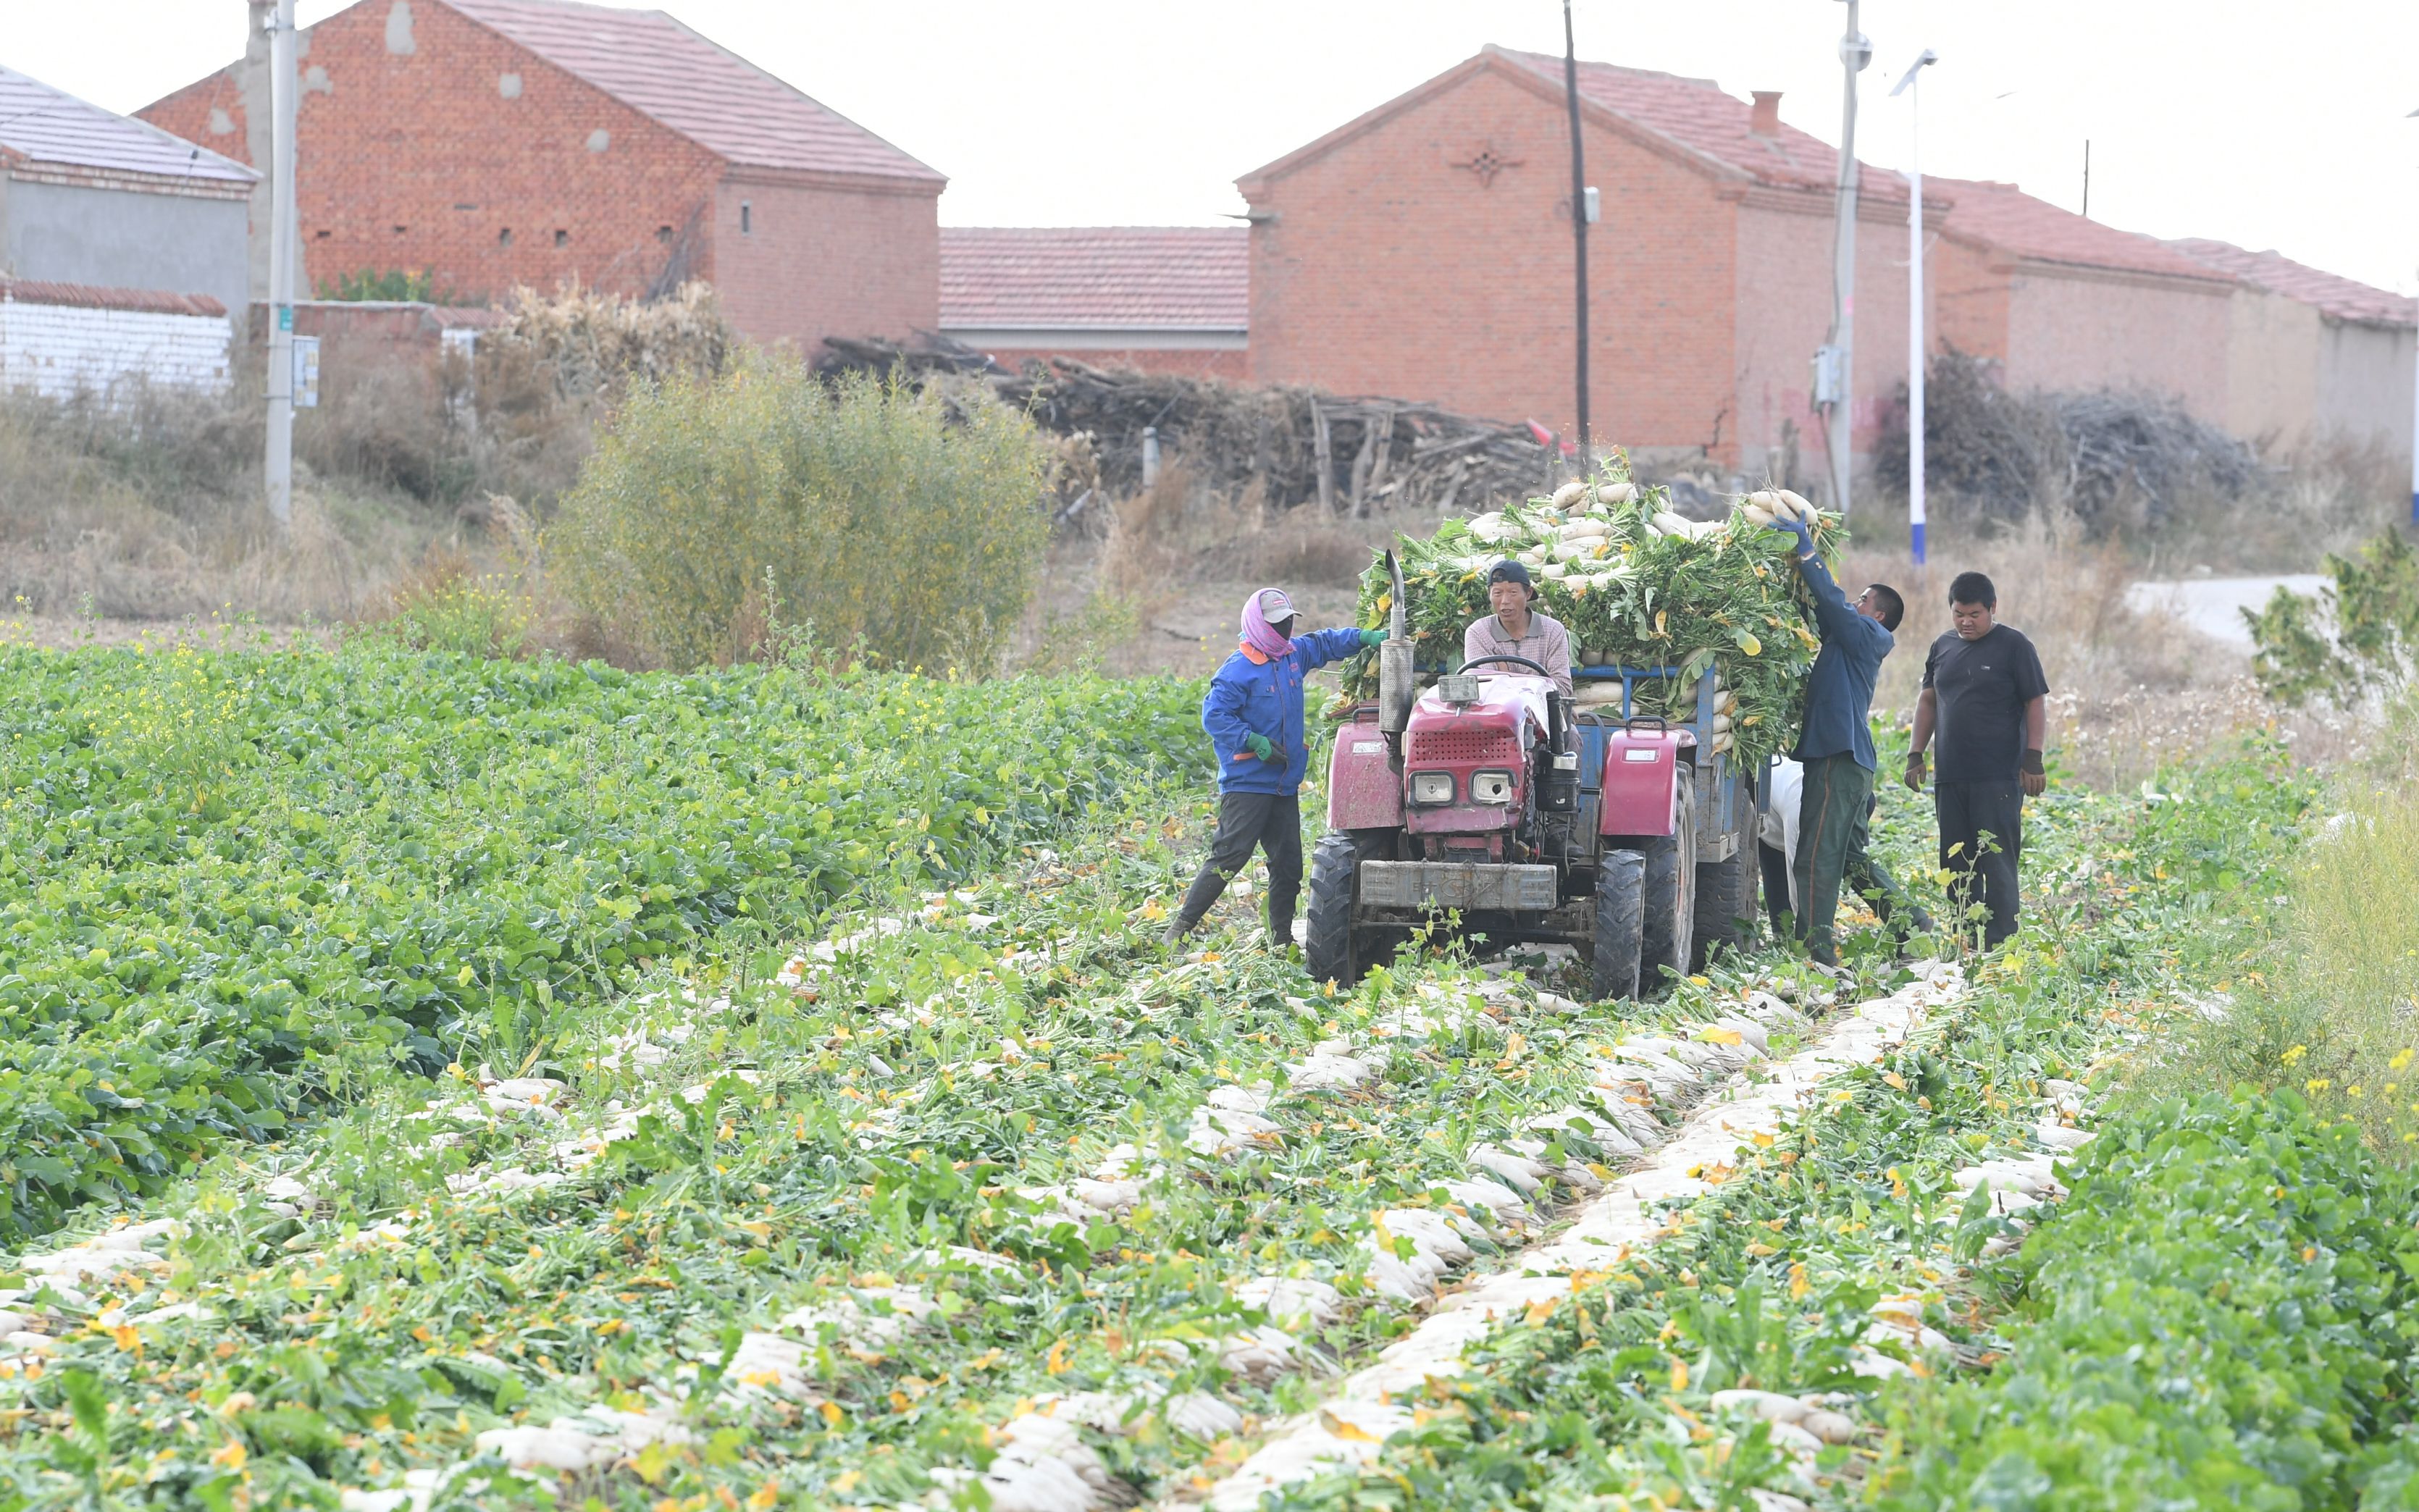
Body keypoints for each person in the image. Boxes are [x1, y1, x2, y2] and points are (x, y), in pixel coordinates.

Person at [1165, 587, 1386, 948]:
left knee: (1288, 866)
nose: (1284, 628)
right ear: (1257, 623)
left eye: (1287, 621)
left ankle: (1281, 939)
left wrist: (1365, 638)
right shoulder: (1238, 671)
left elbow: (1326, 643)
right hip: (1248, 781)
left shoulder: (1291, 655)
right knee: (1229, 857)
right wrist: (1254, 742)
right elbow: (1215, 716)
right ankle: (1179, 928)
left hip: (1283, 782)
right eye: (1277, 623)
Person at [1766, 514, 1926, 967]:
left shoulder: (1870, 635)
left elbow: (1833, 604)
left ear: (1878, 615)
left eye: (1863, 600)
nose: (1854, 604)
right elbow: (1822, 613)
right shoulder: (1847, 640)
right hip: (1853, 763)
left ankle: (1816, 955)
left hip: (1839, 760)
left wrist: (1809, 553)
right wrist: (1796, 579)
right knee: (1851, 857)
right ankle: (1911, 924)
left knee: (1815, 857)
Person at [1905, 571, 2049, 951]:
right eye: (1958, 614)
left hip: (1998, 777)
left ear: (1992, 609)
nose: (1966, 622)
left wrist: (2033, 759)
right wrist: (1915, 754)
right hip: (1951, 776)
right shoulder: (1942, 646)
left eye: (1974, 614)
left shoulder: (2014, 646)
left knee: (1997, 863)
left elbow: (2035, 701)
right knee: (1956, 864)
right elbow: (1928, 701)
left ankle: (2001, 946)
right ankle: (1967, 938)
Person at [1462, 560, 1573, 695]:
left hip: (1544, 715)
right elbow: (1485, 689)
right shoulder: (1478, 633)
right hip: (1498, 715)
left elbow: (1562, 687)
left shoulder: (1553, 630)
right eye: (1497, 593)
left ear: (1528, 594)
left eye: (1513, 592)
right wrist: (1540, 682)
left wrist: (1507, 677)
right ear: (1489, 594)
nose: (1505, 601)